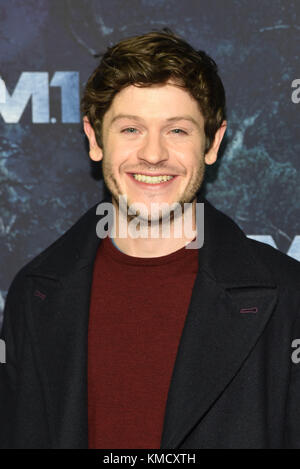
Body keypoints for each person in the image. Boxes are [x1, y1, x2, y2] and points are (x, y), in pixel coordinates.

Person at [1, 28, 300, 449]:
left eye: (177, 130)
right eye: (131, 130)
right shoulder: (34, 295)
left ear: (212, 144)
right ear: (94, 138)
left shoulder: (289, 299)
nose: (154, 154)